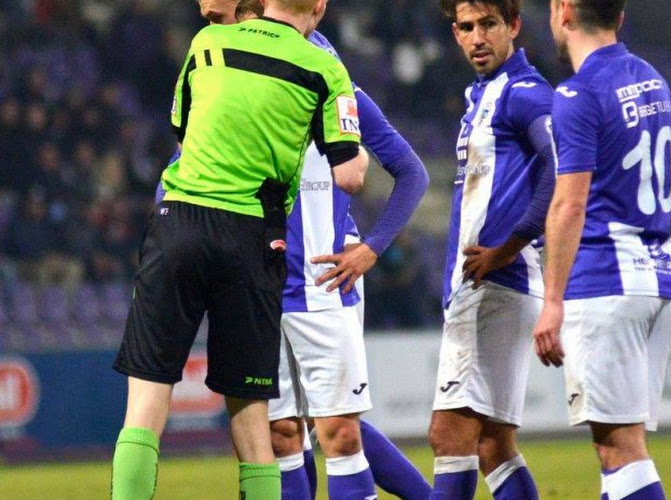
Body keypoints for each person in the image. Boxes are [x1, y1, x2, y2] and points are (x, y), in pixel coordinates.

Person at [110, 1, 368, 499]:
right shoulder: (325, 67)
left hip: (179, 221)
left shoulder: (206, 43)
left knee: (143, 408)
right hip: (252, 236)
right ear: (318, 7)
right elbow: (350, 176)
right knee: (254, 425)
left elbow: (184, 130)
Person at [231, 2, 433, 499]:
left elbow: (410, 172)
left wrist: (371, 248)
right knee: (281, 435)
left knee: (338, 431)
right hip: (256, 289)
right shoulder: (225, 73)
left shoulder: (329, 73)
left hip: (322, 284)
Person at [533, 1, 671, 499]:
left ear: (564, 11)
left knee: (619, 449)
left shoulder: (578, 93)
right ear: (619, 16)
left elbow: (569, 205)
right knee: (618, 448)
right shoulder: (653, 79)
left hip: (606, 281)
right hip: (659, 275)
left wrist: (552, 301)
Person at [429, 1, 556, 499]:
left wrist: (510, 245)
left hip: (496, 284)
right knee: (493, 447)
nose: (477, 37)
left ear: (513, 27)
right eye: (466, 27)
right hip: (492, 283)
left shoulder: (524, 93)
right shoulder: (481, 93)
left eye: (489, 25)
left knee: (449, 436)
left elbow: (560, 166)